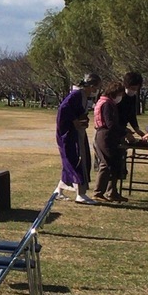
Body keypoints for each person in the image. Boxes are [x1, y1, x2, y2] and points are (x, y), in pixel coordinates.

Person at [54, 72, 100, 201]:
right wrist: (74, 121)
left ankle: (59, 190)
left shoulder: (84, 96)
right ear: (91, 86)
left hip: (77, 132)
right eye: (95, 87)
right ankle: (80, 193)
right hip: (68, 134)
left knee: (73, 160)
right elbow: (63, 109)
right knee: (75, 159)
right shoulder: (76, 94)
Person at [91, 81, 127, 202]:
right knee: (106, 163)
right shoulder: (107, 104)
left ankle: (112, 192)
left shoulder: (105, 102)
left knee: (114, 163)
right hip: (105, 135)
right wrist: (125, 132)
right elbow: (110, 123)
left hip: (108, 135)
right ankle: (98, 192)